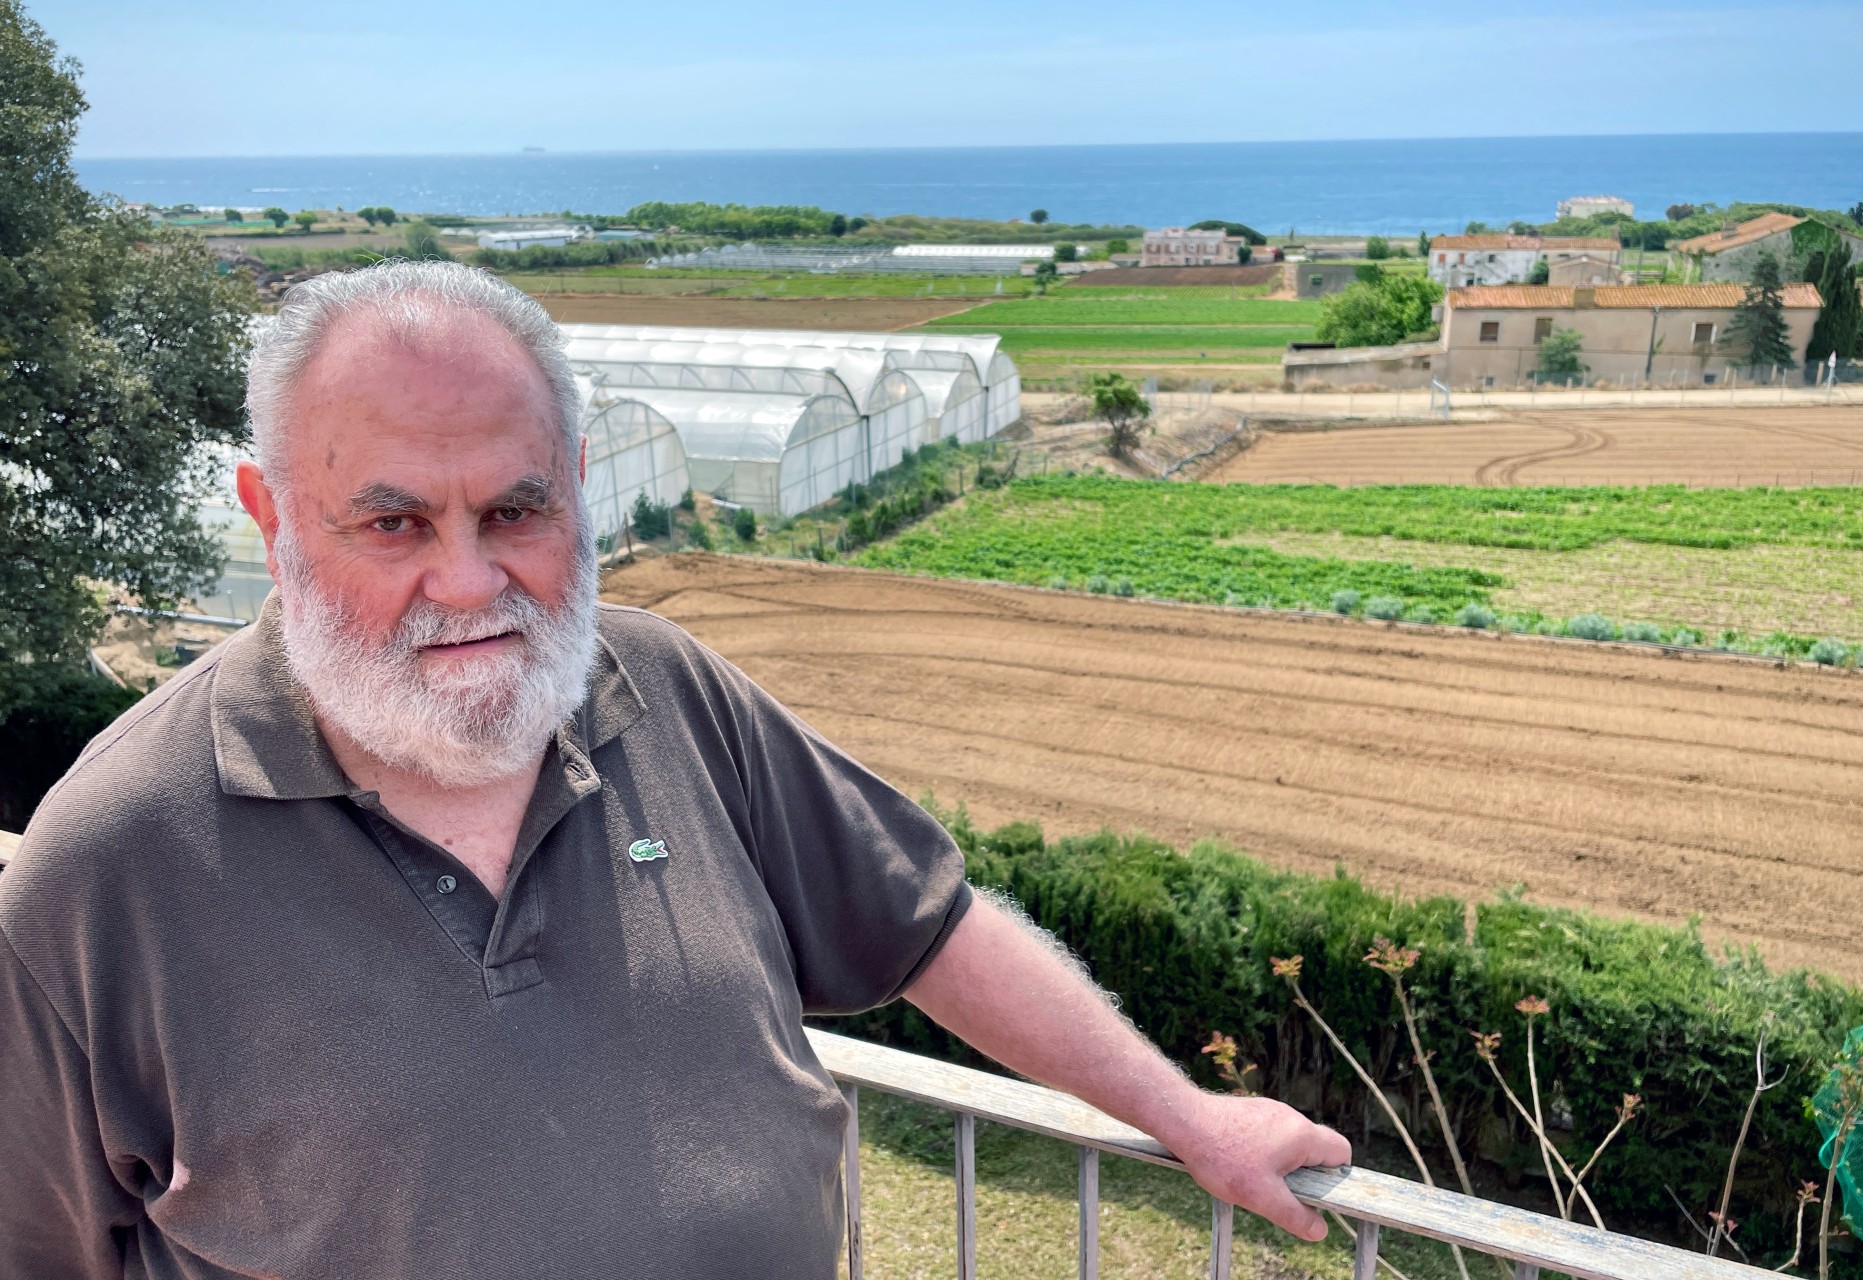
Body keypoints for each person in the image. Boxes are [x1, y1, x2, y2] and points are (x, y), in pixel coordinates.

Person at [0, 261, 1349, 1278]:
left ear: (580, 488)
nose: (466, 581)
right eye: (393, 521)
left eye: (516, 509)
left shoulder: (661, 690)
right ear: (272, 515)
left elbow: (929, 923)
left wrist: (1186, 1114)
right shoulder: (110, 864)